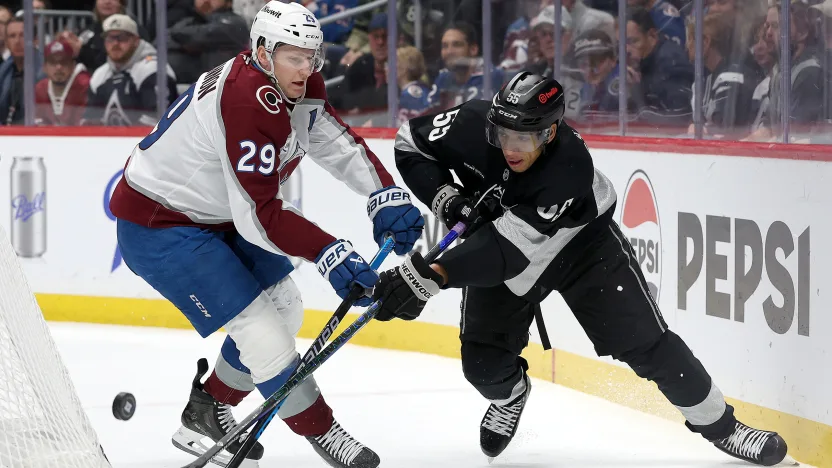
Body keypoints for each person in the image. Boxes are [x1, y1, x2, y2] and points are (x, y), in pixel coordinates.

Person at [373, 71, 789, 467]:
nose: (512, 148)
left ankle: (723, 426)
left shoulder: (568, 168)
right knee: (482, 366)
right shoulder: (471, 122)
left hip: (582, 249)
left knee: (645, 344)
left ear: (550, 132)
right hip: (501, 241)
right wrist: (446, 197)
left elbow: (507, 254)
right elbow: (410, 143)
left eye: (525, 137)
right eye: (503, 135)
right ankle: (510, 396)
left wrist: (434, 275)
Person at [109, 2, 423, 468]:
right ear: (261, 50)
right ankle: (325, 431)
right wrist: (328, 251)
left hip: (215, 214)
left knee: (286, 307)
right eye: (293, 56)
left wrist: (384, 194)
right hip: (162, 225)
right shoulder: (244, 97)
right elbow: (258, 214)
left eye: (312, 56)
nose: (306, 68)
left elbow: (331, 140)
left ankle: (205, 412)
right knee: (264, 335)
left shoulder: (295, 81)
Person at [35, 39, 91, 126]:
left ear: (73, 66)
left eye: (64, 62)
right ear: (44, 67)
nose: (59, 67)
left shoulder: (84, 86)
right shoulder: (40, 89)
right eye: (53, 62)